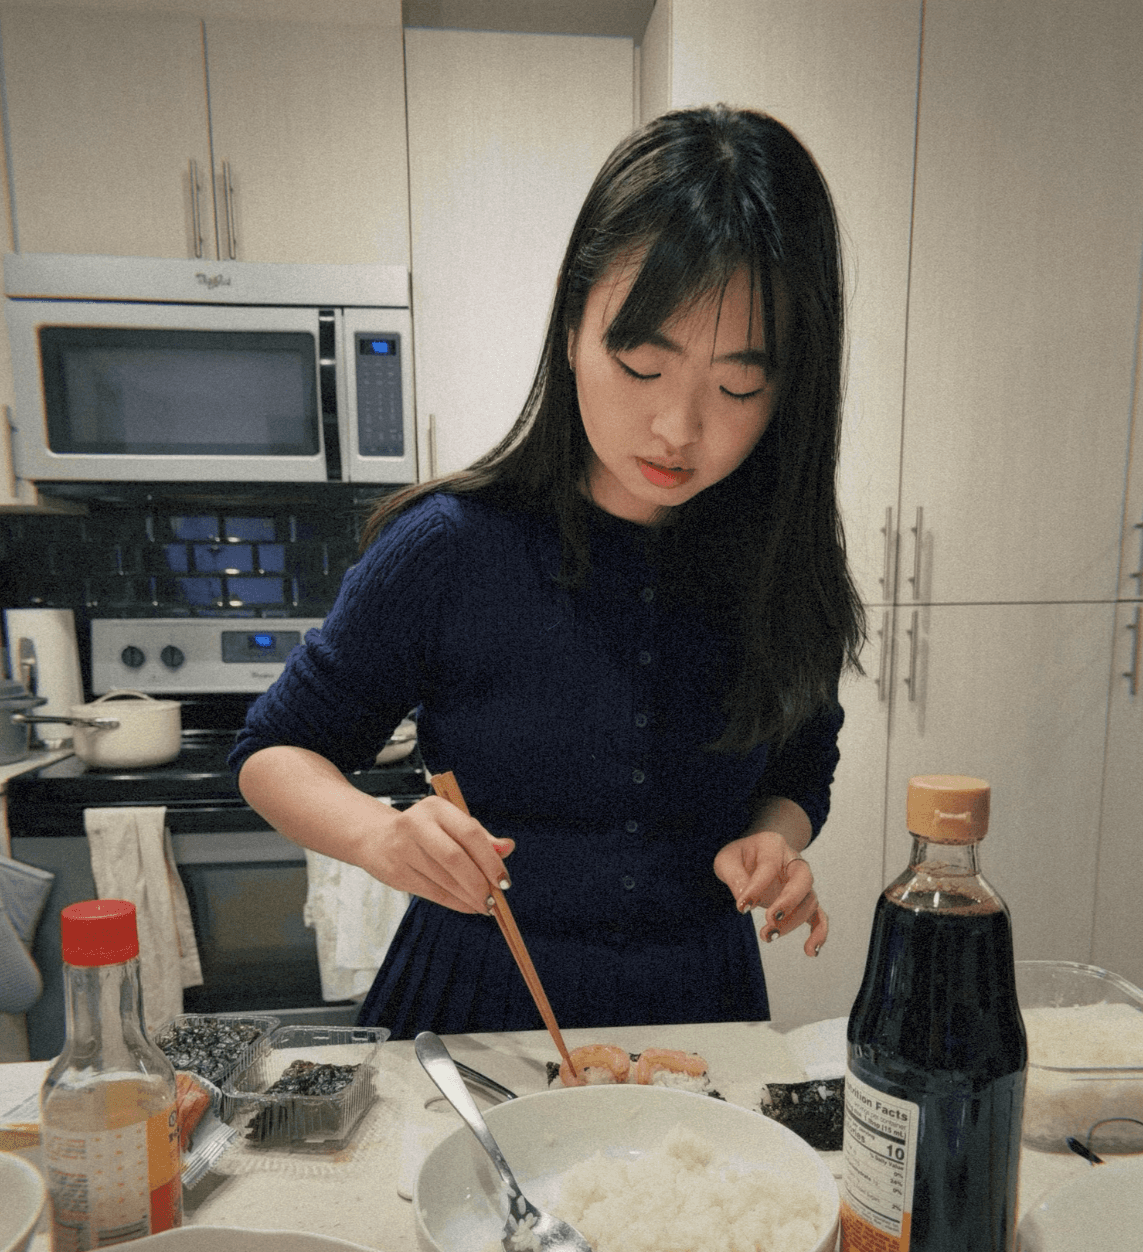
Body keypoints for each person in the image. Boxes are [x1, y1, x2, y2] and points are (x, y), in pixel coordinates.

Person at [231, 104, 865, 1038]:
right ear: (573, 325)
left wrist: (773, 839)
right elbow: (272, 752)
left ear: (790, 388)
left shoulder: (778, 566)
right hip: (477, 1007)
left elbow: (802, 768)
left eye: (737, 387)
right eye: (642, 363)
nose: (677, 428)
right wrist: (378, 835)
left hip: (699, 1016)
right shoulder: (451, 545)